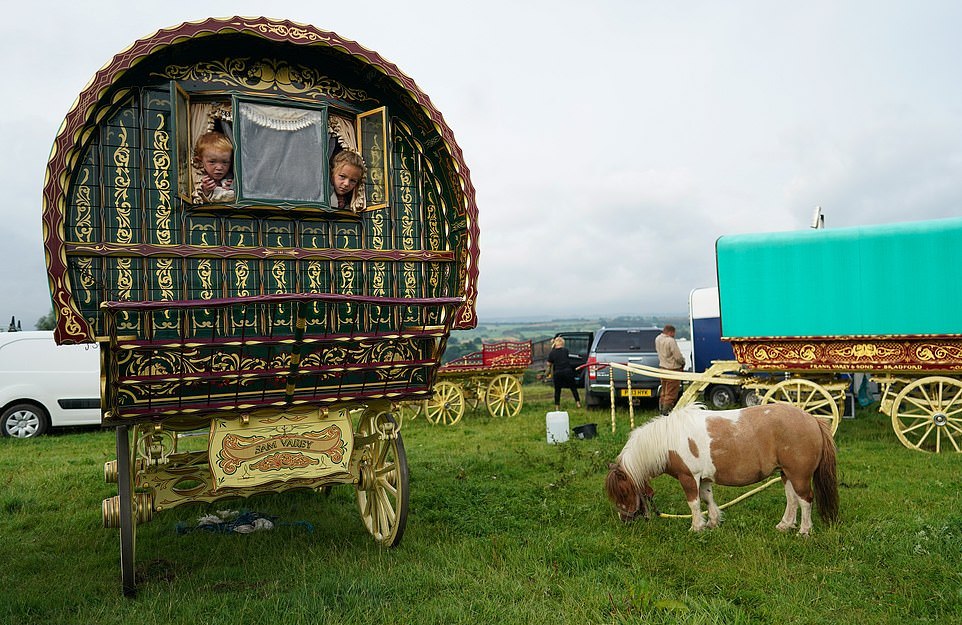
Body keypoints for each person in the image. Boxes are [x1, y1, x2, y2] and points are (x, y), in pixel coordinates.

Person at [193, 131, 235, 203]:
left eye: (225, 162)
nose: (219, 167)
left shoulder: (231, 179)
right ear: (200, 161)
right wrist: (205, 192)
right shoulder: (199, 180)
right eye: (212, 162)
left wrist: (234, 188)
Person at [655, 324, 686, 414]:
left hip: (662, 368)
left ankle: (661, 410)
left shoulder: (658, 339)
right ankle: (666, 413)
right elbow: (677, 356)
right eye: (673, 333)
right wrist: (683, 362)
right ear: (670, 332)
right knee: (671, 394)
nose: (674, 335)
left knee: (664, 392)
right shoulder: (670, 341)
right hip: (672, 370)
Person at [545, 336, 582, 411]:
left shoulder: (552, 352)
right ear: (563, 343)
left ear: (555, 344)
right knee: (573, 388)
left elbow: (548, 364)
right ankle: (578, 403)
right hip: (567, 371)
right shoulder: (566, 350)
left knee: (557, 390)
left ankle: (557, 406)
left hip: (558, 373)